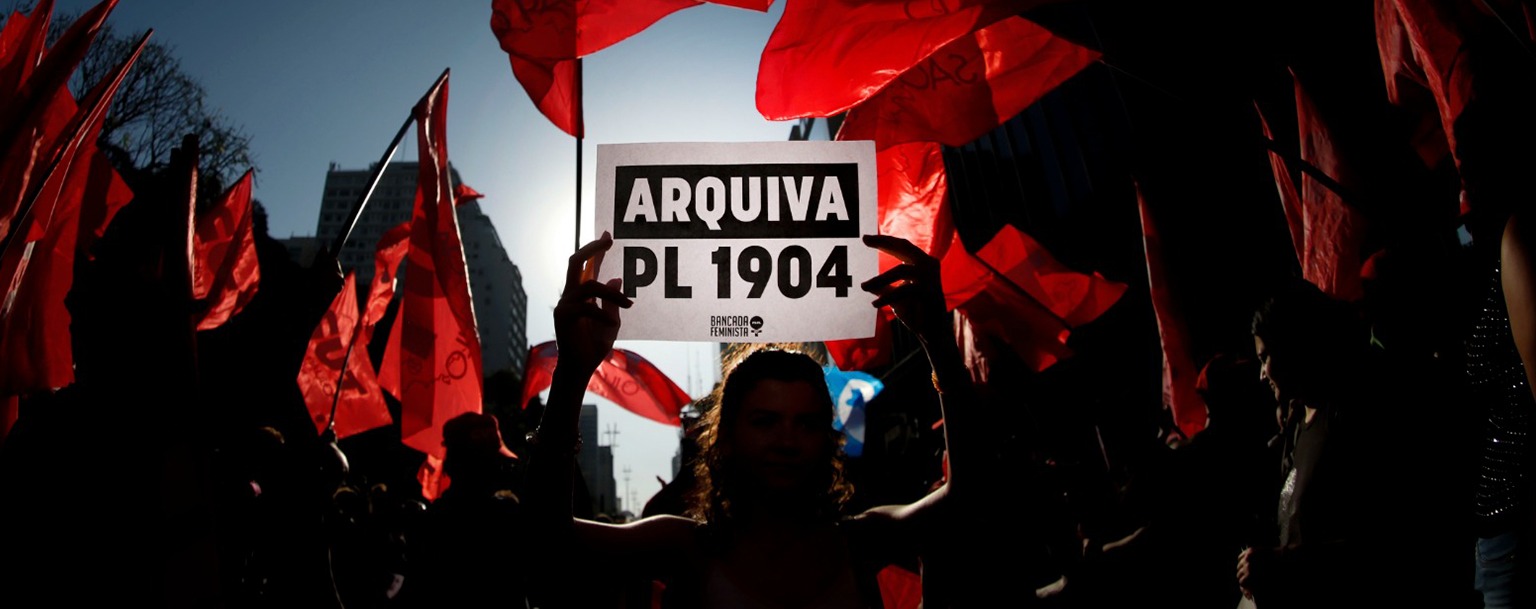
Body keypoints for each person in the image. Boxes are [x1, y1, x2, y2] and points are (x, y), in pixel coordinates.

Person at [524, 232, 974, 609]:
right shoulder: (684, 547)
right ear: (727, 437)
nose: (786, 440)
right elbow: (547, 540)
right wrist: (573, 371)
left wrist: (939, 341)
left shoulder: (863, 541)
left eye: (807, 422)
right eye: (764, 421)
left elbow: (973, 497)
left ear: (828, 437)